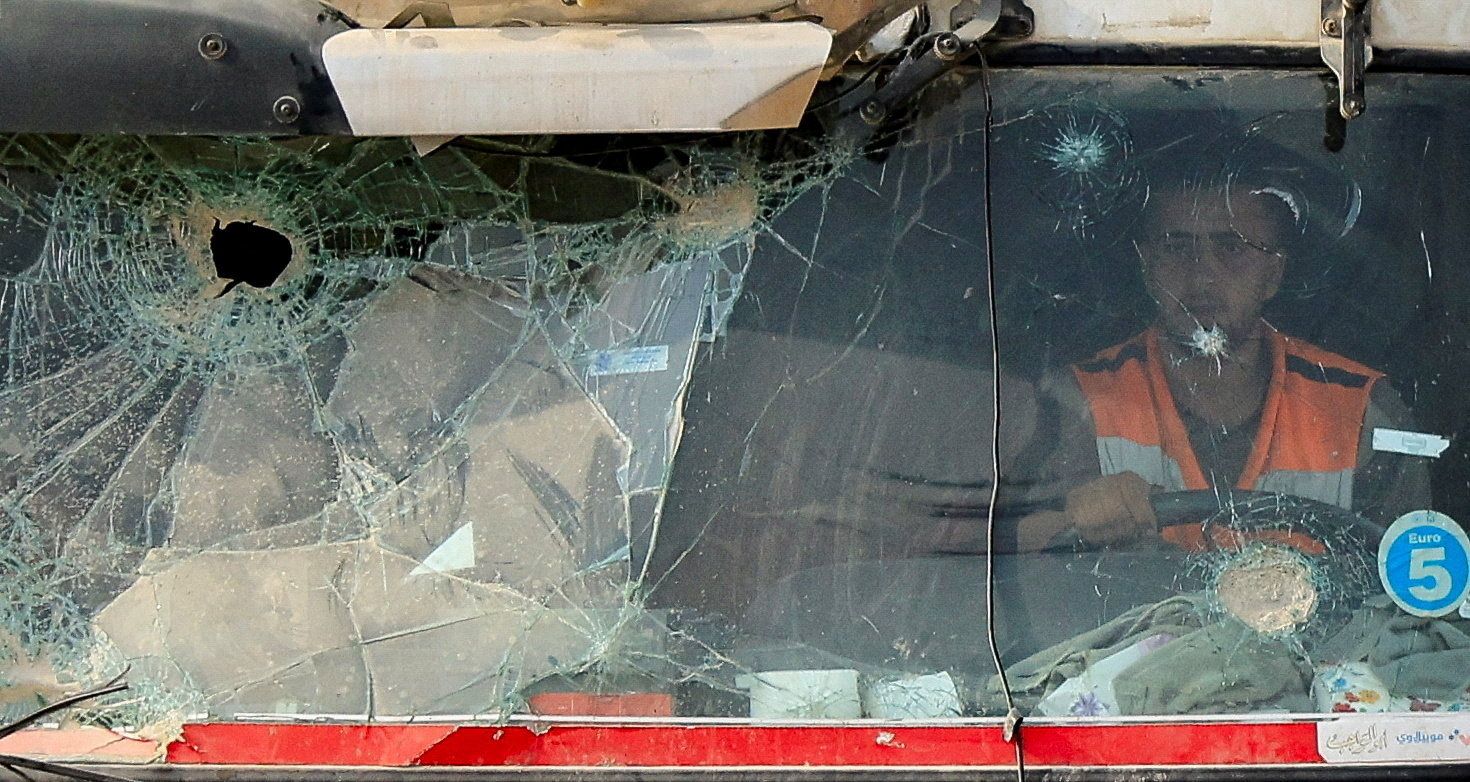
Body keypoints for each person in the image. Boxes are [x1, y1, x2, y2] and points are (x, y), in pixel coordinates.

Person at [1008, 173, 1430, 552]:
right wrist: (1072, 517)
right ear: (1147, 266)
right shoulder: (1075, 401)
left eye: (1232, 248)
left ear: (1274, 273)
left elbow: (1412, 584)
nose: (1202, 276)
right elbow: (1004, 555)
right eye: (1177, 248)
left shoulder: (1364, 412)